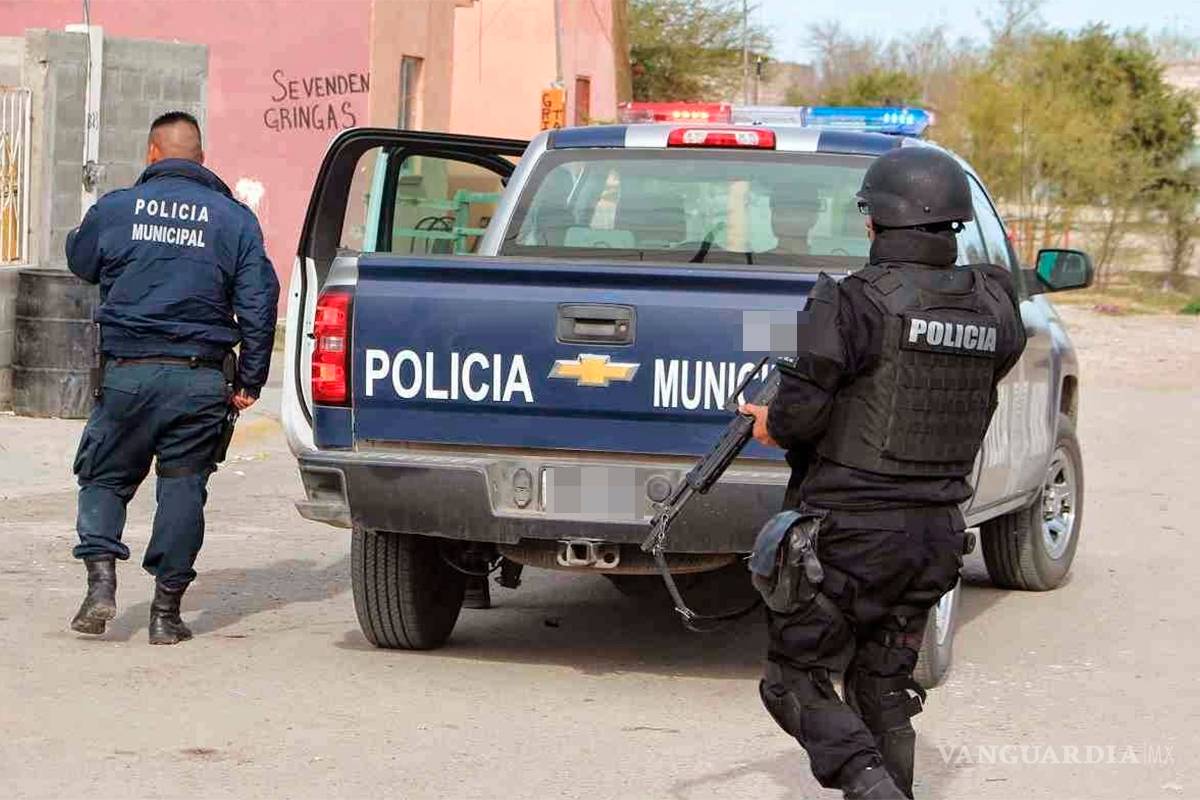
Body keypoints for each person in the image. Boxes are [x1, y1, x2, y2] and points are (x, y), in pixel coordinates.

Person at [740, 147, 1026, 799]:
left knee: (794, 678)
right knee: (882, 686)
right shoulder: (992, 302)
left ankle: (874, 788)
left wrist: (767, 420)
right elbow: (975, 377)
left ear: (875, 223)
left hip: (853, 534)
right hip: (936, 537)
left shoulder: (850, 302)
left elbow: (799, 418)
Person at [66, 111, 279, 645]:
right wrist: (251, 379)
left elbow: (80, 260)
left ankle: (100, 583)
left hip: (127, 376)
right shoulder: (234, 220)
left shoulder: (115, 209)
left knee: (105, 478)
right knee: (184, 488)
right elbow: (259, 303)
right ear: (201, 159)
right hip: (200, 379)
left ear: (152, 153)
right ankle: (165, 614)